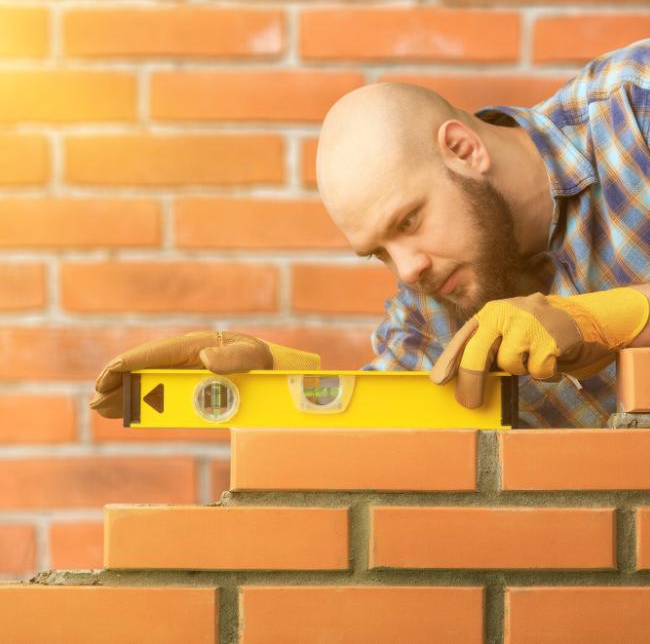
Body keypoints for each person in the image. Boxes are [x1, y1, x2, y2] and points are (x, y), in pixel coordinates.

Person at [91, 40, 650, 427]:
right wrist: (268, 390)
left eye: (407, 222)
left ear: (463, 149)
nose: (408, 270)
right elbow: (377, 437)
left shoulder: (635, 103)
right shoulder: (434, 315)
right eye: (379, 252)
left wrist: (609, 319)